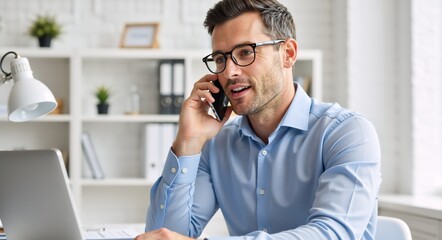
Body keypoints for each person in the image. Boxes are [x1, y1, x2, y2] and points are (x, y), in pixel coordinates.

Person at [135, 0, 381, 239]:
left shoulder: (348, 133)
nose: (229, 72)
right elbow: (163, 235)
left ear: (288, 53)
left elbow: (334, 234)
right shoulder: (216, 146)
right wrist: (187, 142)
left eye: (245, 52)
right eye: (220, 59)